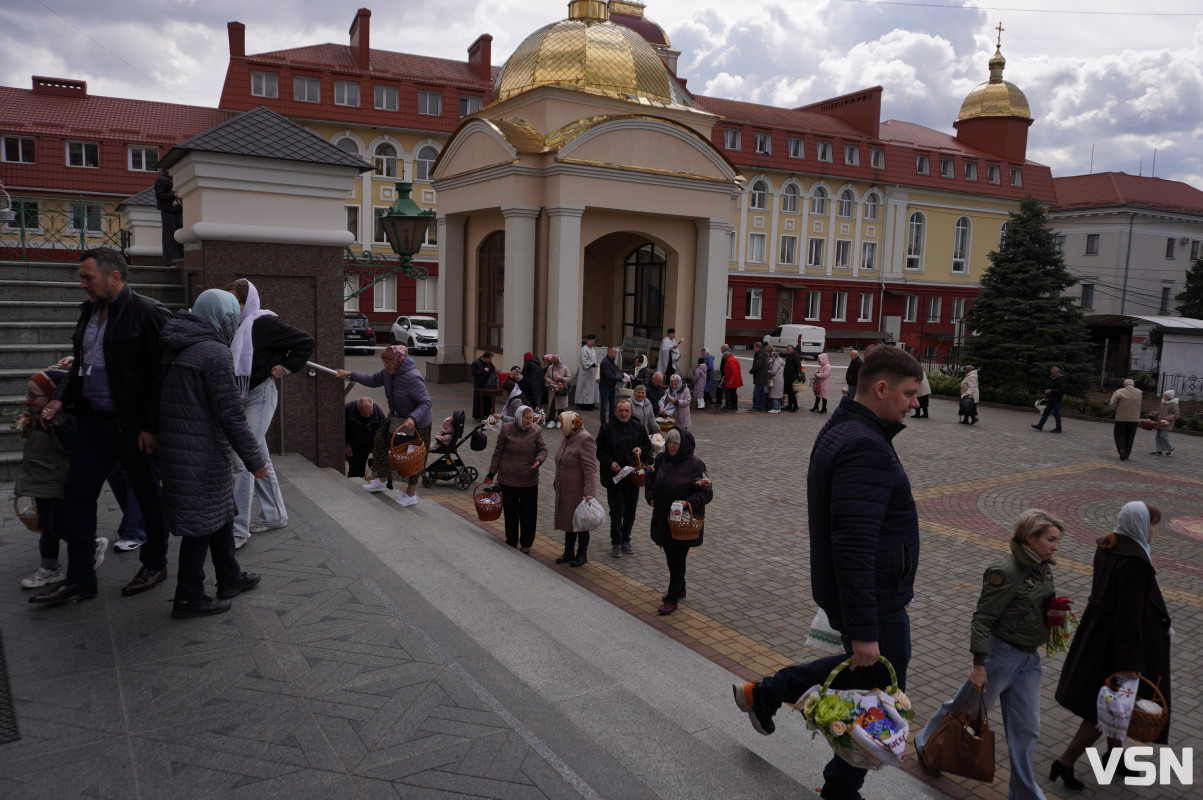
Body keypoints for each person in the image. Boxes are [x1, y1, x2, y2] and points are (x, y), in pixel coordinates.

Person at [732, 345, 923, 800]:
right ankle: (839, 788)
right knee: (878, 689)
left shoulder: (845, 427)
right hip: (873, 600)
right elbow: (853, 543)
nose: (915, 403)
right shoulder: (865, 445)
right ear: (881, 388)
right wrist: (863, 628)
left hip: (870, 594)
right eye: (910, 394)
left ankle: (767, 694)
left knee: (865, 677)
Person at [36, 248, 172, 604]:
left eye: (88, 278)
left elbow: (164, 375)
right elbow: (81, 366)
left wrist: (152, 426)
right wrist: (59, 398)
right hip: (93, 423)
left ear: (114, 276)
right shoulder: (89, 313)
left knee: (147, 497)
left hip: (133, 426)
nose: (82, 285)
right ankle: (81, 578)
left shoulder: (148, 313)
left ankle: (155, 563)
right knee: (77, 496)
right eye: (81, 278)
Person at [916, 510, 1065, 800]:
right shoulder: (1004, 573)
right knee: (965, 709)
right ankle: (925, 743)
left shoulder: (1043, 566)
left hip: (1028, 660)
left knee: (1027, 728)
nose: (1056, 546)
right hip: (1001, 657)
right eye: (1051, 539)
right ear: (1030, 538)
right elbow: (982, 619)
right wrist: (979, 665)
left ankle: (1024, 793)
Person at [149, 289, 268, 618]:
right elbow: (230, 413)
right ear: (222, 316)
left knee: (219, 514)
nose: (236, 321)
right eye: (232, 314)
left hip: (181, 445)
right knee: (200, 526)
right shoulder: (214, 352)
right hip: (200, 451)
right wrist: (255, 459)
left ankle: (229, 577)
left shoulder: (177, 344)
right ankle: (189, 597)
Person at [1051, 501, 1173, 790]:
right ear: (1140, 526)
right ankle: (1065, 761)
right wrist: (1130, 662)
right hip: (1116, 644)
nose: (1155, 530)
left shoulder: (1109, 545)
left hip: (1098, 634)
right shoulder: (1135, 562)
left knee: (1115, 704)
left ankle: (1115, 756)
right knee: (1106, 710)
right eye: (1153, 524)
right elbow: (1128, 616)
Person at [225, 279, 315, 548]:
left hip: (260, 396)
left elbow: (305, 341)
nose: (232, 306)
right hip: (242, 395)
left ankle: (238, 530)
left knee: (242, 458)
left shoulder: (263, 322)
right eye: (229, 300)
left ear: (247, 301)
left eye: (236, 301)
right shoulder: (234, 325)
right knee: (258, 457)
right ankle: (274, 515)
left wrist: (284, 368)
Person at [17, 369, 105, 590]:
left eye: (34, 396)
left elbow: (70, 448)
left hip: (58, 482)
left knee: (58, 526)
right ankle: (49, 567)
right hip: (42, 481)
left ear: (53, 396)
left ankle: (91, 544)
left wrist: (57, 425)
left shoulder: (62, 420)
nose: (28, 401)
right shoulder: (37, 418)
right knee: (46, 527)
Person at [336, 345, 432, 506]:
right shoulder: (387, 373)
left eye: (390, 361)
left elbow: (426, 402)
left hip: (417, 423)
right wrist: (351, 374)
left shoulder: (412, 377)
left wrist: (413, 418)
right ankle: (381, 480)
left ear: (400, 360)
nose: (387, 365)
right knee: (380, 442)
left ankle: (410, 494)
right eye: (384, 361)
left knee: (412, 458)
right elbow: (372, 380)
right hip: (397, 418)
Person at [645, 427, 712, 615]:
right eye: (669, 442)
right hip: (663, 517)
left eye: (676, 442)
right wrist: (650, 496)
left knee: (677, 558)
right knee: (670, 554)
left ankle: (672, 598)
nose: (672, 446)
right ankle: (680, 586)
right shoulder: (661, 459)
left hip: (682, 521)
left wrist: (687, 503)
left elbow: (707, 492)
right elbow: (649, 474)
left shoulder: (696, 465)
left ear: (684, 444)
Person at [597, 397, 654, 558]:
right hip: (614, 478)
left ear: (631, 411)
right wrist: (610, 462)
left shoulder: (638, 427)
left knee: (630, 511)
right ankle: (616, 541)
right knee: (617, 511)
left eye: (626, 410)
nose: (623, 413)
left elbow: (647, 446)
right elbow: (599, 451)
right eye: (620, 410)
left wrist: (640, 450)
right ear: (615, 411)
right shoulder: (606, 429)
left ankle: (625, 539)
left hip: (633, 477)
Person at [486, 406, 548, 552]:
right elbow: (498, 452)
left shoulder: (536, 430)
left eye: (531, 417)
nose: (530, 420)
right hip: (508, 479)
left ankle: (526, 543)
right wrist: (491, 473)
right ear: (519, 417)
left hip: (529, 479)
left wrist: (539, 460)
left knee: (528, 513)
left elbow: (543, 449)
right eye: (526, 417)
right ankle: (511, 540)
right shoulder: (507, 429)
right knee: (511, 512)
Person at [552, 411, 598, 568]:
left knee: (581, 523)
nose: (559, 427)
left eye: (561, 423)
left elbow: (590, 470)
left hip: (580, 492)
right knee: (568, 521)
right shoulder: (567, 436)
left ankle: (582, 554)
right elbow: (560, 460)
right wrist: (556, 480)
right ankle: (568, 551)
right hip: (565, 489)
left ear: (571, 424)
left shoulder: (585, 439)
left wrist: (589, 494)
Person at [345, 397, 386, 478]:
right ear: (358, 408)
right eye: (364, 413)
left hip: (373, 441)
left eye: (370, 412)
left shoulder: (378, 412)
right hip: (355, 443)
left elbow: (384, 432)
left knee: (381, 463)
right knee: (355, 472)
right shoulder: (347, 409)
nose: (367, 415)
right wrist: (345, 443)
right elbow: (339, 428)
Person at [153, 166, 183, 266]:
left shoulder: (176, 179)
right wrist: (173, 195)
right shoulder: (161, 180)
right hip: (167, 210)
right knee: (169, 235)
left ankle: (179, 257)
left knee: (179, 234)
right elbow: (160, 196)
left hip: (177, 210)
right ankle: (170, 259)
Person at [1107, 378, 1142, 460]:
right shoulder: (1139, 392)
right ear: (1133, 385)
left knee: (1119, 435)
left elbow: (1112, 404)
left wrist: (1117, 409)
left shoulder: (1119, 392)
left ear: (1124, 385)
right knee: (1130, 437)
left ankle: (1121, 449)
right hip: (1134, 419)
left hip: (1121, 418)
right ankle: (1127, 454)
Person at [1031, 366, 1066, 433]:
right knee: (1046, 413)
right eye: (1052, 373)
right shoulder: (1054, 378)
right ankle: (1040, 425)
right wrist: (1047, 396)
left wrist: (1051, 391)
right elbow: (1050, 387)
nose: (1052, 375)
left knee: (1056, 414)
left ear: (1058, 372)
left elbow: (1062, 390)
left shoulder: (1062, 379)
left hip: (1056, 399)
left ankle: (1059, 428)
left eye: (1053, 373)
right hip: (1051, 398)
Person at [544, 354, 572, 428]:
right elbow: (546, 377)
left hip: (561, 389)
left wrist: (561, 378)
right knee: (552, 405)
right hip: (553, 389)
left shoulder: (565, 368)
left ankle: (560, 420)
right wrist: (550, 381)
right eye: (554, 363)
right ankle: (552, 420)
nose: (555, 365)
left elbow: (569, 378)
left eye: (556, 363)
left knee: (561, 406)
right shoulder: (550, 367)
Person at [469, 351, 498, 420]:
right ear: (485, 358)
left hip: (488, 386)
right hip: (479, 386)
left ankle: (488, 415)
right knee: (479, 402)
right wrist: (483, 370)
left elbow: (493, 369)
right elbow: (474, 373)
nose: (490, 361)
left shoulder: (489, 363)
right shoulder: (476, 363)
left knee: (487, 401)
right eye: (489, 359)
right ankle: (478, 416)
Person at [574, 334, 599, 409]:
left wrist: (596, 365)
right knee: (586, 389)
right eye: (591, 341)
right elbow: (584, 361)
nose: (593, 343)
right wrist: (592, 365)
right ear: (587, 341)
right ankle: (585, 404)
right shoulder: (584, 349)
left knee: (592, 388)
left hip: (592, 373)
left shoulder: (593, 349)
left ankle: (591, 403)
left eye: (594, 341)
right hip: (586, 373)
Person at [1152, 389, 1179, 455]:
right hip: (1160, 422)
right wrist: (1154, 413)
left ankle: (1170, 447)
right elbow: (1159, 411)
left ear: (1169, 397)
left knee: (1163, 436)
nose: (1164, 397)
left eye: (1165, 396)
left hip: (1167, 423)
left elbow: (1177, 414)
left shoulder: (1174, 404)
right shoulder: (1163, 403)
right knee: (1158, 436)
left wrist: (1169, 418)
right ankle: (1159, 450)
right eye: (1164, 395)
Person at [599, 345, 621, 425]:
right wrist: (621, 379)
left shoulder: (612, 361)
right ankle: (603, 425)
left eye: (616, 352)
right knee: (604, 407)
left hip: (612, 387)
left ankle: (611, 424)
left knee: (613, 407)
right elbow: (609, 376)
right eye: (614, 351)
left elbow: (613, 374)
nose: (616, 353)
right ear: (609, 352)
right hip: (605, 387)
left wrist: (622, 376)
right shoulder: (605, 362)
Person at [783, 344, 803, 412]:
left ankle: (795, 406)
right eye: (787, 349)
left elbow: (799, 366)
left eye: (790, 349)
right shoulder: (788, 356)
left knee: (791, 393)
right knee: (788, 392)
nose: (788, 350)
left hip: (792, 377)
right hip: (787, 376)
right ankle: (789, 406)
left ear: (793, 349)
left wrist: (799, 374)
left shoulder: (795, 356)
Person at [722, 345, 743, 410]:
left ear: (725, 356)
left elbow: (734, 371)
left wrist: (731, 380)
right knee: (733, 393)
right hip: (733, 380)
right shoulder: (732, 359)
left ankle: (728, 405)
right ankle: (734, 406)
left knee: (729, 393)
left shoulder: (730, 360)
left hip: (732, 380)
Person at [750, 341, 768, 412]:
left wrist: (752, 371)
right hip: (762, 377)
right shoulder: (762, 354)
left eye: (754, 347)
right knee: (761, 393)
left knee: (756, 393)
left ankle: (756, 408)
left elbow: (758, 365)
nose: (753, 349)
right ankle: (761, 407)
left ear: (757, 347)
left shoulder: (760, 355)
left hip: (760, 377)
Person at [766, 346, 784, 413]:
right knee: (778, 395)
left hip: (775, 380)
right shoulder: (781, 362)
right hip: (780, 380)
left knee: (774, 394)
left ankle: (775, 408)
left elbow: (773, 372)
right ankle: (778, 407)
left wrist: (767, 371)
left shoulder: (776, 363)